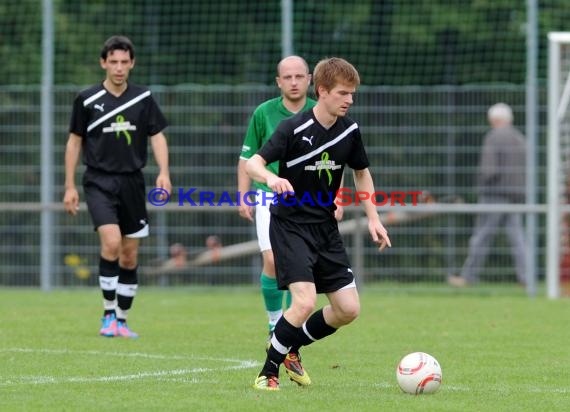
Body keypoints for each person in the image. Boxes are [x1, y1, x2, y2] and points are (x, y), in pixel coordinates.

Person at [246, 57, 391, 390]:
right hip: (290, 226)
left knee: (348, 309)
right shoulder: (292, 128)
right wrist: (270, 178)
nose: (349, 100)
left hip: (325, 229)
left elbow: (361, 172)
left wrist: (373, 217)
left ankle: (291, 345)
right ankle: (268, 372)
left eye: (352, 94)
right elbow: (253, 163)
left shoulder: (350, 131)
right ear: (322, 91)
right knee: (305, 301)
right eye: (343, 93)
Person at [63, 35, 171, 338]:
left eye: (125, 62)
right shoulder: (86, 99)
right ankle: (108, 315)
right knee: (110, 242)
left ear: (132, 64)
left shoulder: (143, 98)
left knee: (129, 255)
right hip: (98, 181)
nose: (119, 68)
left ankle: (122, 320)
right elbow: (74, 142)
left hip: (133, 183)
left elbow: (158, 135)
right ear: (103, 63)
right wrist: (69, 186)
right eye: (113, 62)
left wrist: (164, 171)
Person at [237, 56, 316, 380]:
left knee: (302, 266)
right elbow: (247, 158)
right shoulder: (264, 113)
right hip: (270, 194)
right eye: (288, 77)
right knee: (271, 261)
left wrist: (337, 198)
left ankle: (289, 327)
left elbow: (336, 160)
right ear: (278, 81)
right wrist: (243, 194)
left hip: (312, 198)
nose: (294, 81)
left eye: (300, 76)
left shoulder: (321, 111)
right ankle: (275, 322)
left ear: (310, 79)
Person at [448, 103, 527, 287]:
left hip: (494, 194)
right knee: (518, 238)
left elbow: (489, 169)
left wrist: (481, 184)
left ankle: (468, 277)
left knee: (481, 236)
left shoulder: (494, 137)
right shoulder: (520, 138)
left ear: (494, 119)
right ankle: (526, 278)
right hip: (515, 195)